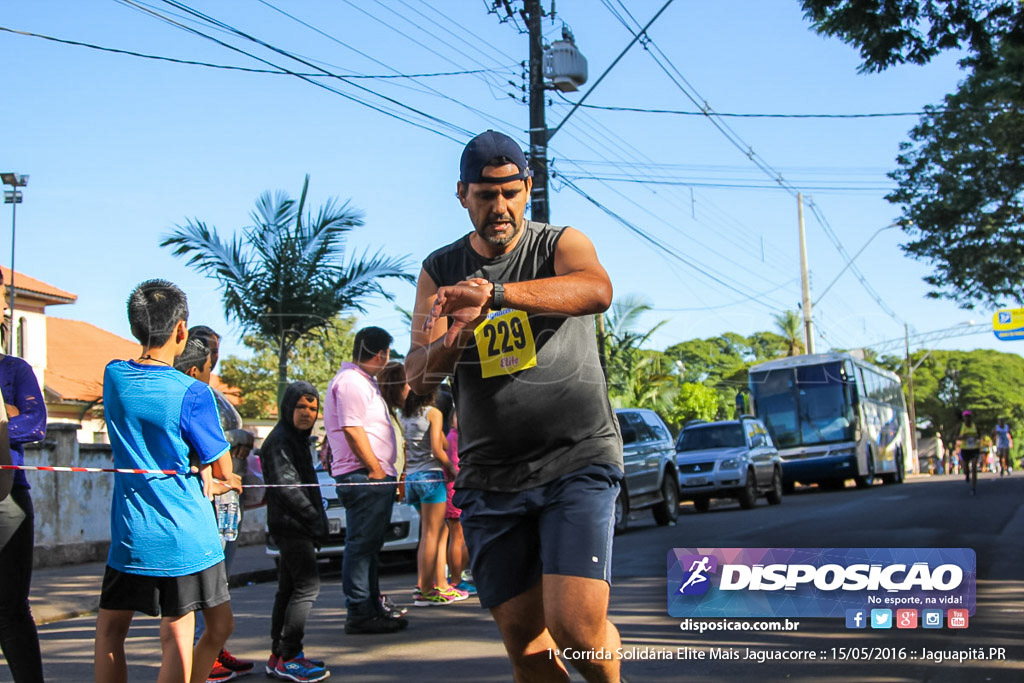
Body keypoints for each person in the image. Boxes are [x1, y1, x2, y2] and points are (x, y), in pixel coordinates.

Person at [406, 130, 625, 682]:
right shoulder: (440, 269)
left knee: (576, 628)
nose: (498, 206)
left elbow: (596, 290)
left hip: (575, 460)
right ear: (462, 195)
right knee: (526, 646)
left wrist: (498, 295)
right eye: (485, 194)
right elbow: (416, 379)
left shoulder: (559, 244)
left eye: (510, 191)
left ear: (528, 188)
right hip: (491, 477)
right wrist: (457, 333)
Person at [95, 280, 239, 683]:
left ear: (135, 326)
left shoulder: (114, 377)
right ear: (181, 331)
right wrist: (225, 479)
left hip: (130, 533)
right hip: (186, 536)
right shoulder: (193, 392)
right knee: (183, 634)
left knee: (109, 632)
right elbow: (224, 471)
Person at [174, 333, 255, 683]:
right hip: (203, 503)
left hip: (224, 502)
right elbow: (216, 456)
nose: (215, 360)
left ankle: (211, 651)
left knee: (218, 590)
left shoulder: (213, 395)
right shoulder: (193, 393)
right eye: (210, 355)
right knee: (198, 598)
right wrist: (226, 473)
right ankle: (199, 657)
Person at [324, 327, 408, 634]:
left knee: (370, 546)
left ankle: (371, 606)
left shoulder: (360, 382)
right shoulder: (351, 383)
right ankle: (360, 611)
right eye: (386, 353)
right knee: (361, 546)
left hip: (372, 476)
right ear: (381, 353)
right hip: (365, 476)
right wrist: (374, 469)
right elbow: (352, 428)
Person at [260, 381, 331, 682]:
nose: (307, 413)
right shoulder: (279, 441)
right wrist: (315, 519)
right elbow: (288, 489)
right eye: (301, 407)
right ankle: (290, 656)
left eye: (312, 408)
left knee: (288, 589)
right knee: (307, 587)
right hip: (291, 526)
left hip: (297, 525)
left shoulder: (298, 439)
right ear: (288, 407)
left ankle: (279, 655)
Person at [0, 268, 46, 683]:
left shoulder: (14, 369)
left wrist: (8, 420)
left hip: (7, 499)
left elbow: (34, 423)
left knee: (11, 607)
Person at [399, 387, 465, 606]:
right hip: (431, 476)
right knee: (431, 534)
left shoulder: (405, 416)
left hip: (412, 477)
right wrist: (453, 469)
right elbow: (438, 449)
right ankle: (425, 589)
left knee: (434, 532)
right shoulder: (433, 413)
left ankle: (437, 584)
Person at [952, 410, 982, 495]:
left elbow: (980, 435)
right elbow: (955, 437)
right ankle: (967, 474)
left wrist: (977, 438)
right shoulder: (960, 427)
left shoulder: (975, 426)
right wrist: (962, 437)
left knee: (974, 468)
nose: (967, 418)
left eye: (969, 416)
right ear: (963, 418)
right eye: (966, 416)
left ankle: (973, 488)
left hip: (974, 448)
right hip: (965, 449)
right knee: (965, 468)